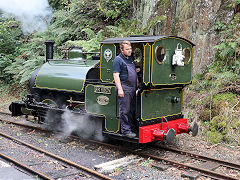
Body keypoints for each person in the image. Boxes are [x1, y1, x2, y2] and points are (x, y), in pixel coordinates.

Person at [113, 41, 137, 138]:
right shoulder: (117, 60)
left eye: (130, 48)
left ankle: (131, 127)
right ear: (122, 50)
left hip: (132, 88)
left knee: (132, 110)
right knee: (125, 110)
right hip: (124, 88)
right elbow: (116, 75)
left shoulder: (130, 59)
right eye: (127, 49)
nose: (130, 51)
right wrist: (120, 89)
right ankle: (126, 131)